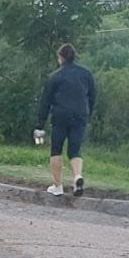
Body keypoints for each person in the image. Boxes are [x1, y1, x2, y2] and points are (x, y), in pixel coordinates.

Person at [36, 43, 97, 197]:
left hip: (60, 115)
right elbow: (92, 96)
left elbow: (45, 102)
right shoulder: (86, 74)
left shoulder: (55, 76)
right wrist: (87, 114)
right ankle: (77, 177)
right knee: (75, 150)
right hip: (80, 115)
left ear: (61, 58)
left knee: (56, 149)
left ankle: (58, 186)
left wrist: (39, 126)